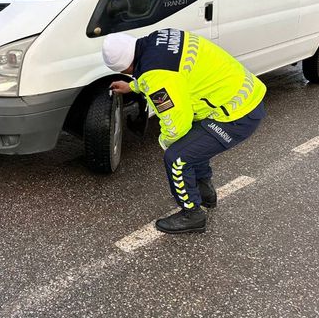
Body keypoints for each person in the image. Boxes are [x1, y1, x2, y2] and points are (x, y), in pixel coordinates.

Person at [103, 29, 267, 234]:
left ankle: (192, 214)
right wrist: (133, 86)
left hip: (236, 115)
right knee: (193, 143)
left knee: (177, 156)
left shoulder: (157, 76)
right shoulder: (160, 38)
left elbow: (176, 125)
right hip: (242, 95)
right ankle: (205, 192)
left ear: (126, 66)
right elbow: (165, 73)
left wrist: (165, 142)